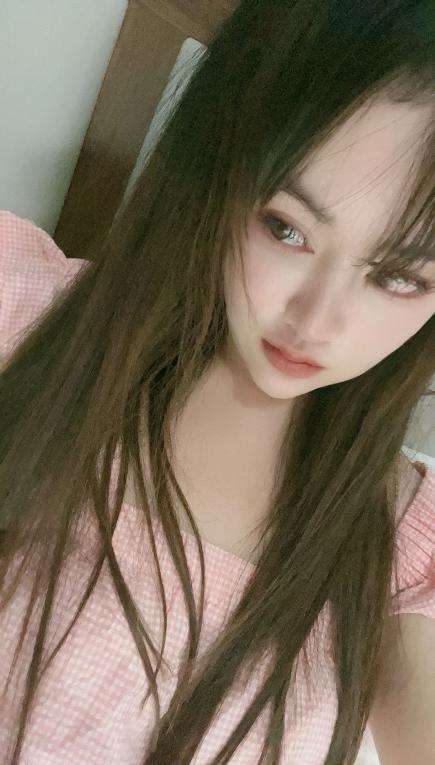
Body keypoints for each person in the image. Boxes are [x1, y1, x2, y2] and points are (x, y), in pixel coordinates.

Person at [0, 1, 434, 763]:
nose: (315, 322)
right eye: (285, 228)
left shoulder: (399, 539)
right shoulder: (22, 312)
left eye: (398, 277)